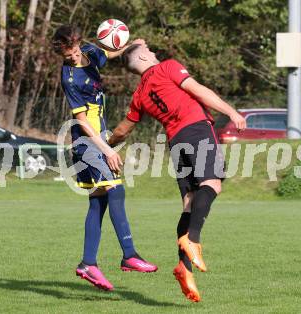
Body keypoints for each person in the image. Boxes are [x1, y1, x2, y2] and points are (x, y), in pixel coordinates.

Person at [108, 43, 246, 302]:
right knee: (213, 184)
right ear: (141, 56)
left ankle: (185, 267)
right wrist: (231, 111)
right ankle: (192, 240)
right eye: (148, 49)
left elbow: (123, 130)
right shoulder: (168, 67)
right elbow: (200, 91)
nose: (153, 50)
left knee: (188, 202)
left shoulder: (139, 94)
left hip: (176, 140)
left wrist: (106, 146)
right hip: (196, 129)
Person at [51, 26, 157, 291]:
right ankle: (130, 254)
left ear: (78, 44)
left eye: (74, 51)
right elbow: (83, 122)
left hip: (99, 137)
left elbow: (109, 54)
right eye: (68, 55)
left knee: (98, 200)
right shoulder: (70, 78)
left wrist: (132, 44)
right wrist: (107, 149)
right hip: (87, 142)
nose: (73, 58)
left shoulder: (88, 51)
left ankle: (88, 263)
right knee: (115, 188)